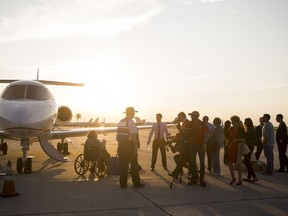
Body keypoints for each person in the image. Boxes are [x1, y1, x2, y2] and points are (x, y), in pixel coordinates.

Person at [116, 107, 144, 189]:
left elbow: (119, 135)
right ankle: (136, 183)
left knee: (123, 166)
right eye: (134, 112)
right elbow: (133, 135)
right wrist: (135, 147)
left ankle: (123, 184)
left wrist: (118, 147)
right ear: (132, 113)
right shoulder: (130, 122)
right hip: (129, 146)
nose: (134, 114)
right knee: (134, 166)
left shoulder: (121, 121)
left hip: (121, 146)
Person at [187, 111, 207, 187]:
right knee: (192, 162)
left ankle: (202, 179)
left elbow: (206, 135)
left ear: (196, 116)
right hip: (192, 145)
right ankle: (194, 178)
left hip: (200, 145)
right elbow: (185, 131)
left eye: (192, 116)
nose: (191, 117)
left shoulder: (202, 124)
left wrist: (204, 144)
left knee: (202, 163)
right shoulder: (190, 123)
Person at [168, 112, 191, 178]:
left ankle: (178, 172)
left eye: (179, 117)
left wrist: (177, 138)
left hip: (186, 145)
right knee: (179, 158)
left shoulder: (187, 122)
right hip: (185, 144)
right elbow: (182, 132)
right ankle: (179, 171)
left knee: (179, 159)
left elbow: (184, 133)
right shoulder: (184, 122)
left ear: (182, 116)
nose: (178, 118)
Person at [227, 115, 245, 185]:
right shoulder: (231, 129)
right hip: (231, 147)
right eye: (232, 122)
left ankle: (240, 179)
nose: (232, 123)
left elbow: (244, 139)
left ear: (237, 122)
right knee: (230, 163)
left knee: (238, 164)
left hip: (238, 147)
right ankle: (233, 177)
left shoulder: (241, 129)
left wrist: (236, 140)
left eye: (233, 122)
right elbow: (229, 137)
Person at [243, 118, 258, 182]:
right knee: (248, 162)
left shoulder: (250, 129)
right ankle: (249, 177)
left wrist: (246, 140)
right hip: (249, 146)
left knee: (246, 162)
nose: (244, 122)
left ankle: (254, 176)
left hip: (249, 146)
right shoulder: (250, 128)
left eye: (245, 121)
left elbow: (252, 139)